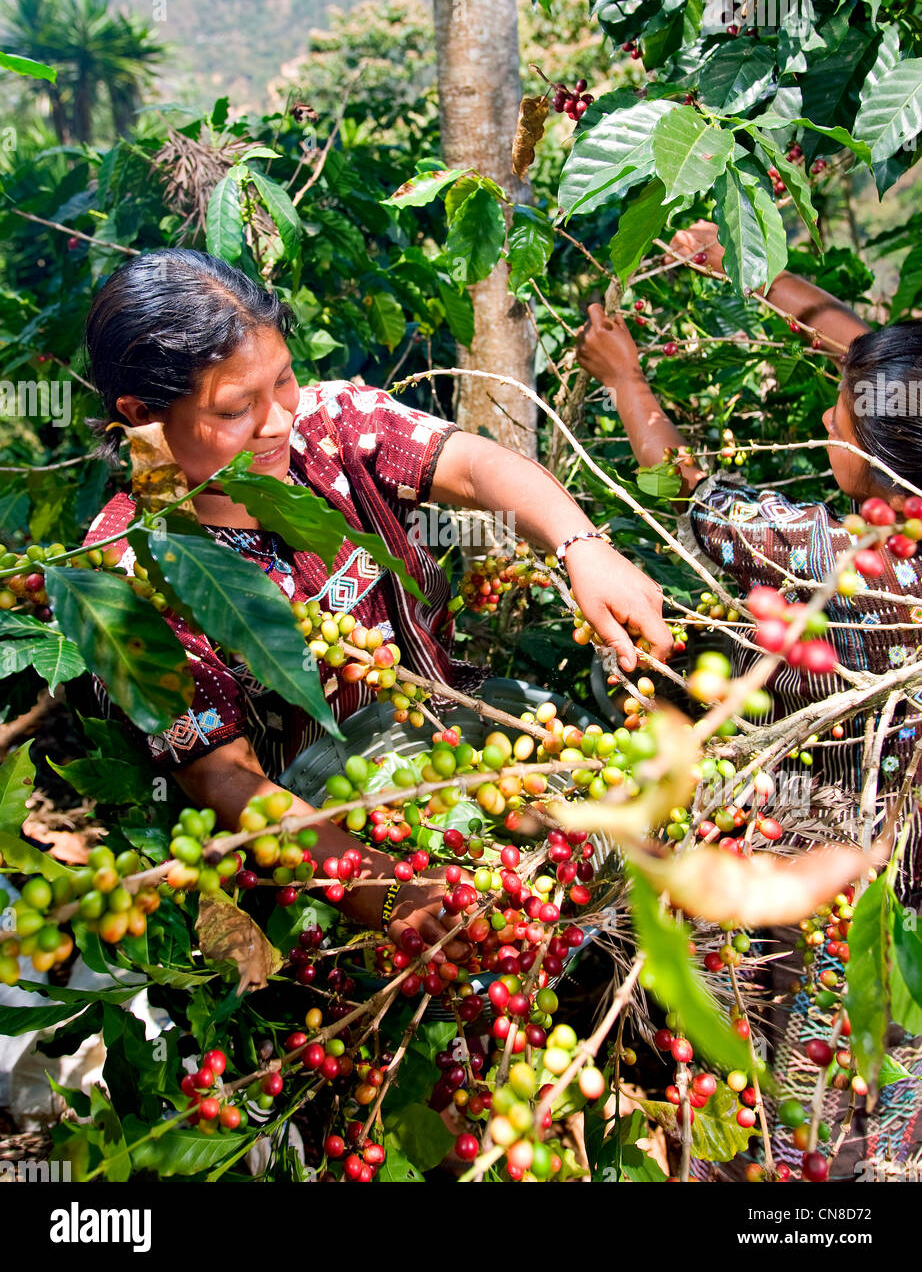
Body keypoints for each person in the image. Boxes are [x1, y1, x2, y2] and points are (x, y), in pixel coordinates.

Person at [80, 247, 671, 962]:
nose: (276, 422)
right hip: (325, 843)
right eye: (235, 409)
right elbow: (222, 775)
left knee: (605, 861)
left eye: (285, 379)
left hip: (460, 739)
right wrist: (382, 887)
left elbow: (477, 469)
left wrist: (582, 545)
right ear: (142, 415)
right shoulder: (128, 570)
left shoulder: (331, 427)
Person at [577, 219, 922, 1181]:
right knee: (887, 1105)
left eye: (842, 422)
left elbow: (689, 492)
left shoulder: (832, 562)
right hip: (911, 908)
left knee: (774, 1118)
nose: (828, 424)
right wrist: (750, 266)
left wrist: (624, 379)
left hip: (796, 889)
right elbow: (873, 361)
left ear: (887, 464)